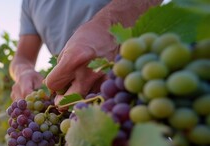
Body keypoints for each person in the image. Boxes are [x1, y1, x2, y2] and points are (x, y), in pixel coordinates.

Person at [9, 0, 163, 104]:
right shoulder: (29, 3)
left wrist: (110, 24)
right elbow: (22, 57)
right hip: (78, 105)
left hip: (142, 82)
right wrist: (23, 71)